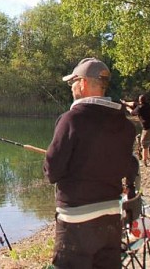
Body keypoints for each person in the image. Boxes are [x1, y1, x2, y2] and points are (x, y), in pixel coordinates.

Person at [44, 58, 137, 268]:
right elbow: (127, 166)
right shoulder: (125, 125)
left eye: (73, 82)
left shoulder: (71, 120)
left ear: (83, 83)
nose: (71, 87)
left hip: (76, 218)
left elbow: (52, 172)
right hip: (112, 215)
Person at [123, 94, 150, 166]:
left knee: (144, 144)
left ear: (139, 101)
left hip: (148, 129)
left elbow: (133, 113)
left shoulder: (140, 107)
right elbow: (133, 103)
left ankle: (144, 161)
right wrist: (125, 102)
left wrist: (128, 109)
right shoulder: (148, 105)